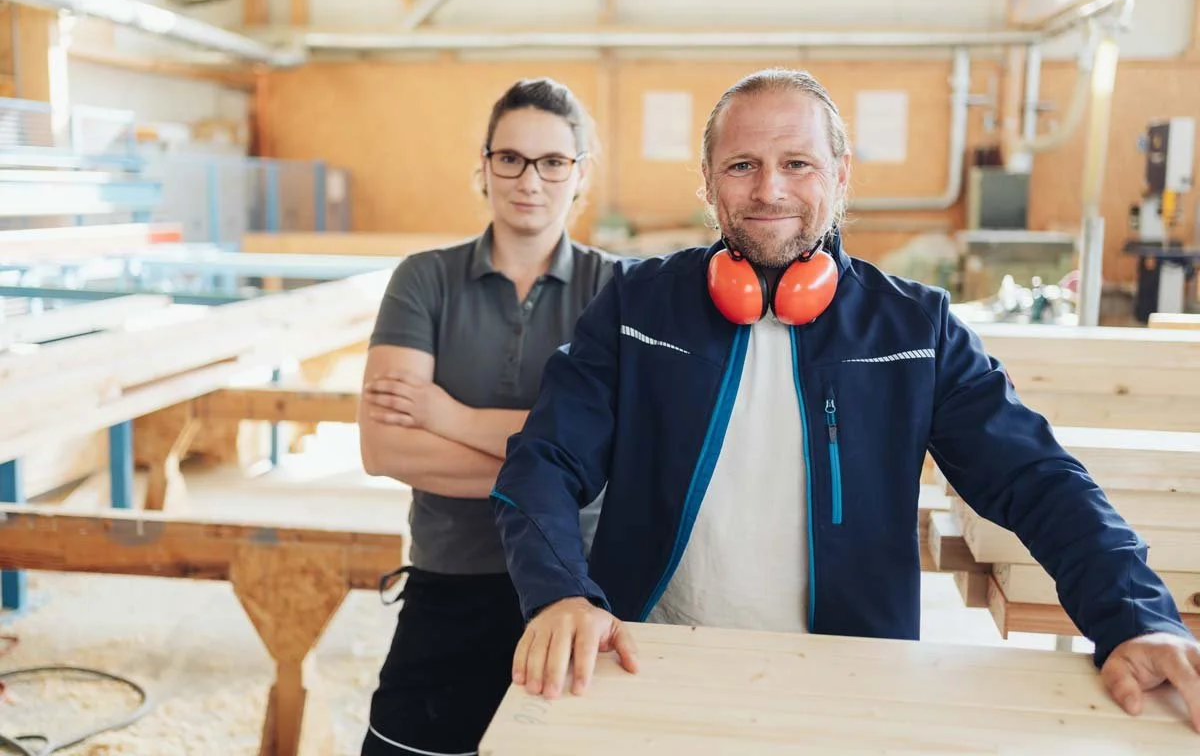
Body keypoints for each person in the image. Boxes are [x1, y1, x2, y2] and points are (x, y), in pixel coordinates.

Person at [489, 68, 1200, 732]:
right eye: (742, 166)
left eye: (797, 163)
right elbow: (543, 463)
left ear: (841, 176)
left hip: (850, 679)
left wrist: (1136, 616)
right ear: (708, 183)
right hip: (650, 658)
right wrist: (560, 593)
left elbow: (1036, 479)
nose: (770, 189)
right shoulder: (637, 307)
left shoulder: (915, 330)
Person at [357, 77, 617, 755]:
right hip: (448, 580)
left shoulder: (618, 291)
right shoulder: (424, 279)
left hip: (577, 593)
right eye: (511, 158)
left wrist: (446, 414)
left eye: (553, 162)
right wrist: (557, 467)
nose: (530, 180)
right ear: (484, 165)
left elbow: (618, 453)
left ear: (580, 174)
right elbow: (385, 449)